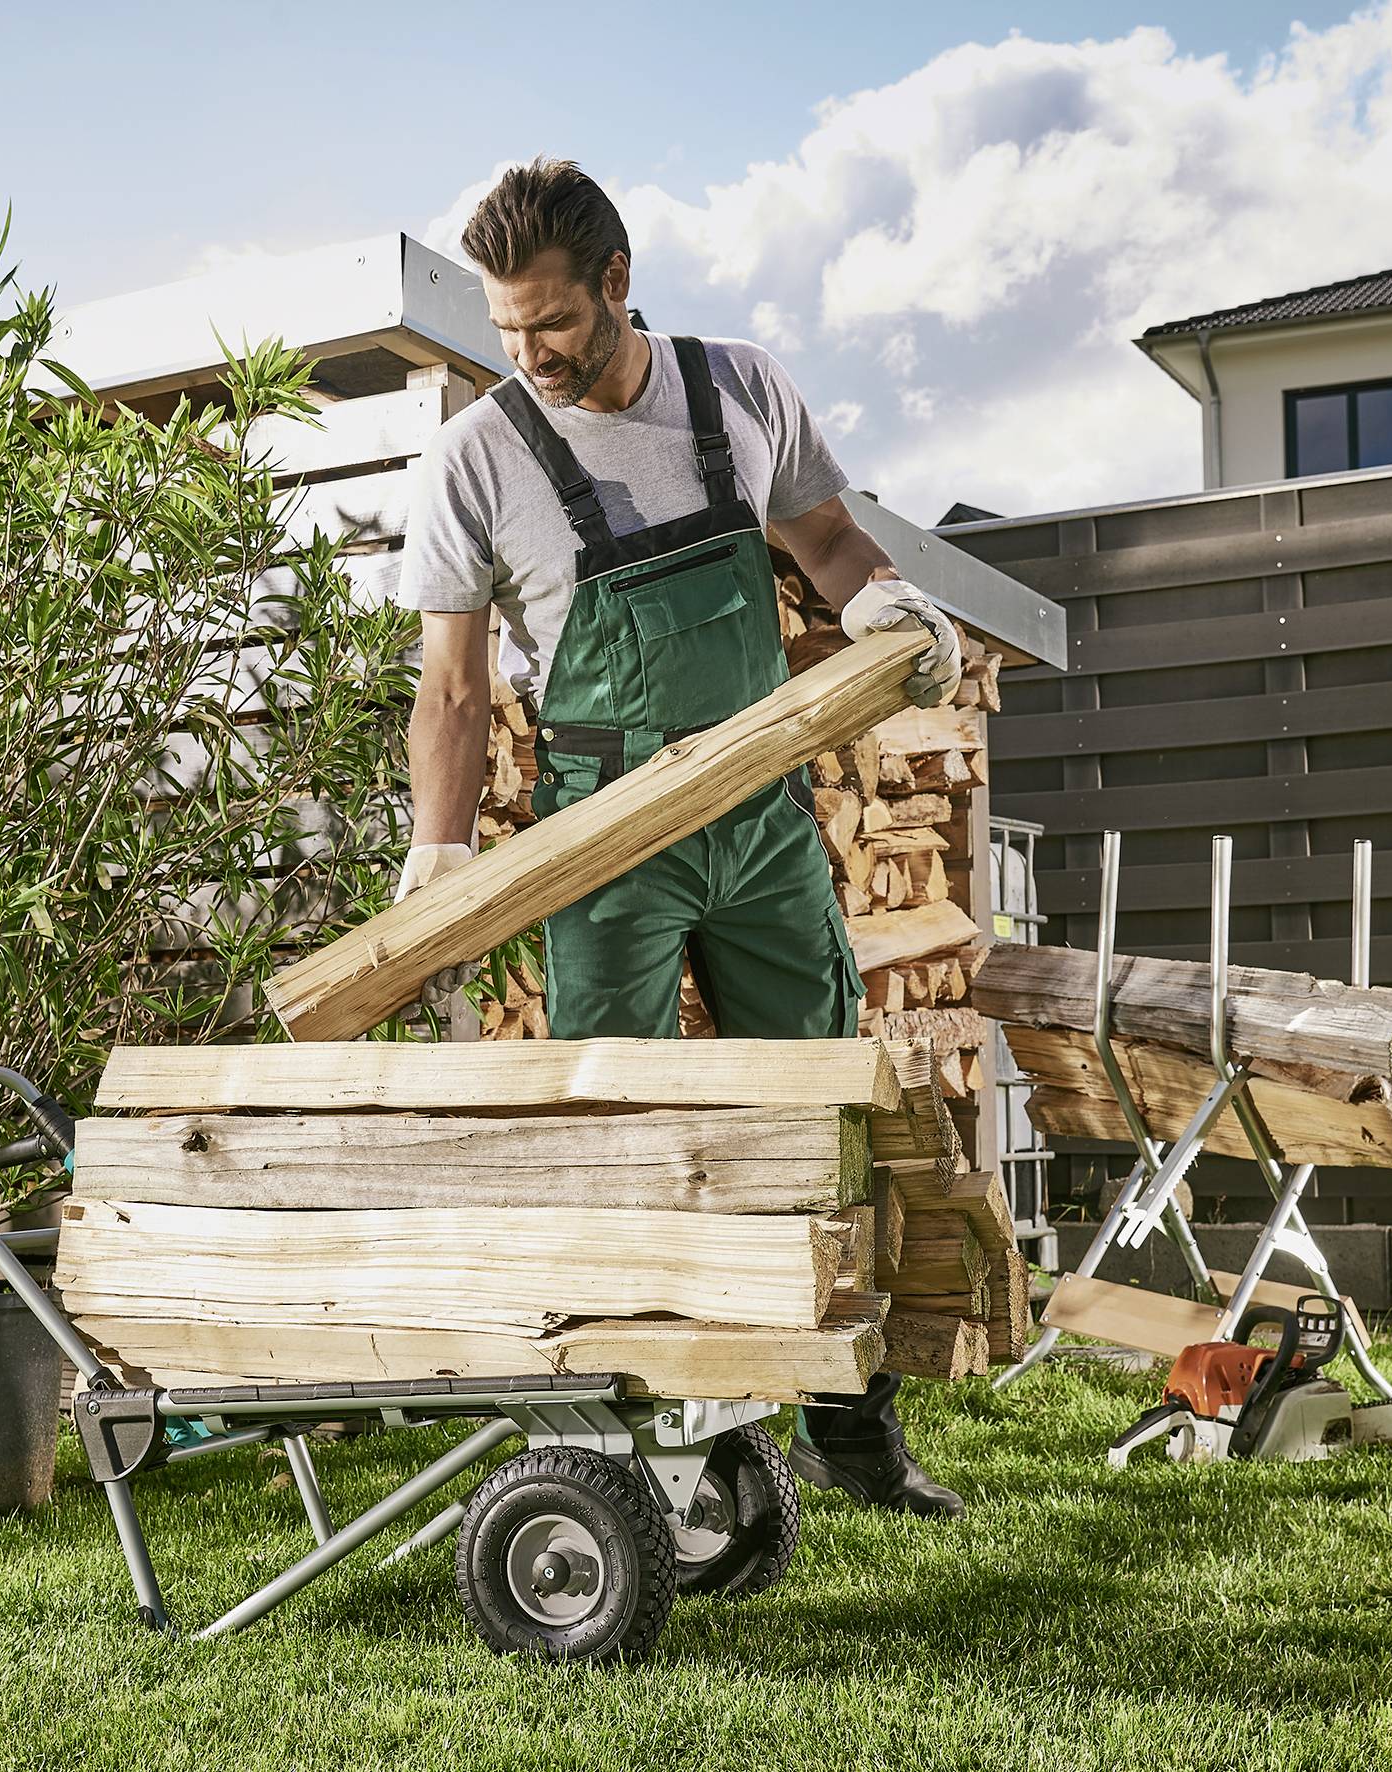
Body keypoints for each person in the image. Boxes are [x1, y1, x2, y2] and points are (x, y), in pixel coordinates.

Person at [394, 158, 966, 1516]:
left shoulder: (739, 389)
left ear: (616, 281)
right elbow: (454, 688)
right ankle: (647, 1451)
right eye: (506, 328)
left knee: (819, 1113)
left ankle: (848, 1429)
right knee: (622, 1129)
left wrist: (881, 602)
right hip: (602, 843)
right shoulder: (478, 457)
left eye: (551, 321)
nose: (528, 354)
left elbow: (827, 537)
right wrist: (440, 852)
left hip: (763, 821)